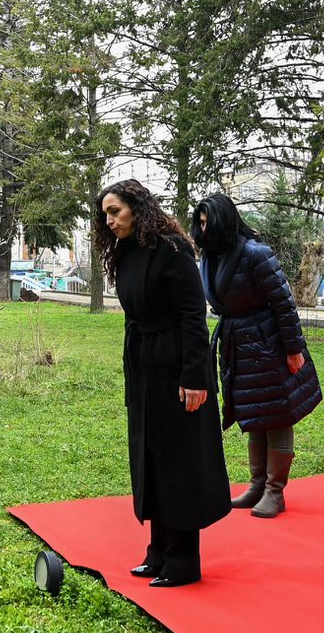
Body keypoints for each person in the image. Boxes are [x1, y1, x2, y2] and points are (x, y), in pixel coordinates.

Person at [95, 180, 228, 585]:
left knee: (178, 462)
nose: (110, 220)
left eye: (115, 211)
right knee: (151, 457)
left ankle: (182, 562)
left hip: (176, 367)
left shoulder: (173, 249)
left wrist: (195, 377)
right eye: (105, 214)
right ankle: (158, 553)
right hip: (145, 367)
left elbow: (193, 316)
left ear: (137, 207)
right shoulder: (127, 251)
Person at [193, 193, 321, 518]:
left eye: (209, 222)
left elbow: (284, 303)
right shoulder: (210, 257)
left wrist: (293, 349)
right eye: (200, 223)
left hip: (268, 342)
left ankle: (274, 491)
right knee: (254, 413)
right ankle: (257, 485)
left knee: (277, 413)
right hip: (238, 342)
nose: (204, 229)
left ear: (224, 220)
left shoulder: (255, 252)